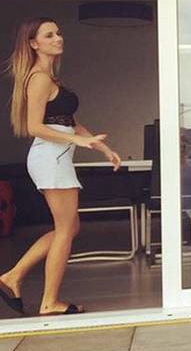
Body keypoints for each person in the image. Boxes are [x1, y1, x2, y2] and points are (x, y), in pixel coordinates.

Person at [0, 17, 121, 316]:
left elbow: (71, 124)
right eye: (49, 35)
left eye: (58, 33)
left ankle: (13, 276)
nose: (58, 38)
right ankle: (49, 302)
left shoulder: (51, 79)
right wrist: (79, 142)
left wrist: (102, 148)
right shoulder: (39, 78)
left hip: (56, 158)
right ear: (33, 44)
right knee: (66, 230)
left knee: (68, 228)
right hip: (50, 158)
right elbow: (34, 127)